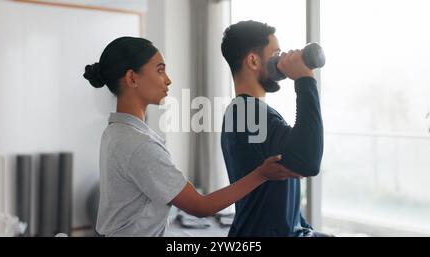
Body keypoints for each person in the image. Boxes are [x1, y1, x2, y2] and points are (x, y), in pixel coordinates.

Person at [83, 36, 301, 237]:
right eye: (160, 70)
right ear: (132, 78)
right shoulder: (138, 144)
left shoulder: (115, 131)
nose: (168, 80)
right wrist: (262, 174)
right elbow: (200, 207)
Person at [220, 21, 328, 236]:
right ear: (253, 60)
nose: (282, 60)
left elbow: (281, 196)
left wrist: (305, 228)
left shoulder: (249, 111)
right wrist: (304, 79)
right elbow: (308, 161)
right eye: (276, 54)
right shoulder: (248, 113)